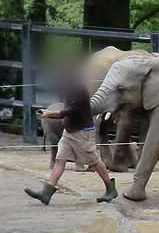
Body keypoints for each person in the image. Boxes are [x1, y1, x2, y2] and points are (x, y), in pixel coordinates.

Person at [25, 72, 117, 205]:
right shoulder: (69, 89)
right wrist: (48, 115)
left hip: (82, 132)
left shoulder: (79, 90)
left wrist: (49, 113)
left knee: (94, 161)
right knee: (60, 159)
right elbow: (66, 112)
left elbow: (69, 111)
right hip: (69, 132)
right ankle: (46, 192)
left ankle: (110, 188)